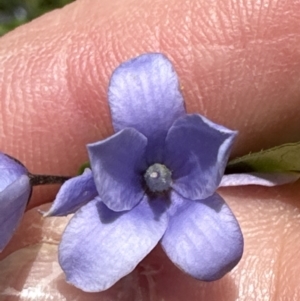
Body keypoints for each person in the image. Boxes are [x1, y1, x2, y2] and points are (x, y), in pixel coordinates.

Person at [0, 0, 300, 299]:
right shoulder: (133, 108)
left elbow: (215, 252)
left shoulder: (161, 112)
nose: (158, 176)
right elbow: (85, 263)